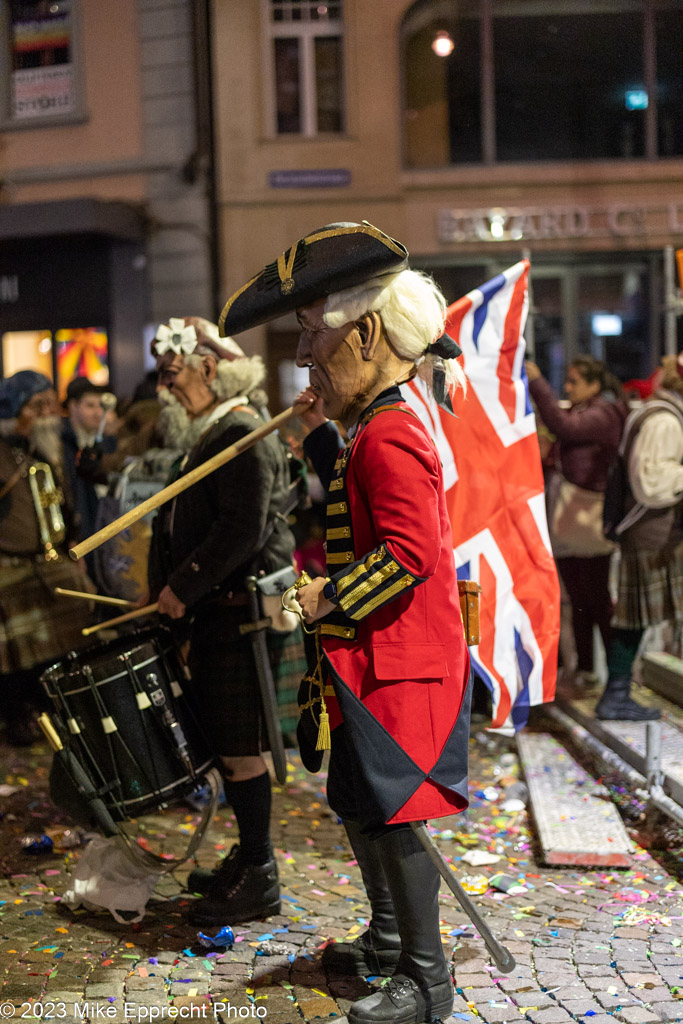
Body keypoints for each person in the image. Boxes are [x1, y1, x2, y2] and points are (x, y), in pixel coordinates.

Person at [219, 222, 472, 1024]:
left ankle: (426, 983)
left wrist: (325, 596)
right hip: (377, 665)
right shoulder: (376, 426)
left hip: (402, 667)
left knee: (398, 818)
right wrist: (319, 428)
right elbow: (351, 495)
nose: (302, 356)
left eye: (312, 336)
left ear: (364, 334)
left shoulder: (394, 431)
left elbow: (407, 553)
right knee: (363, 806)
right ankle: (392, 940)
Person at [147, 316, 302, 925]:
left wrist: (183, 586)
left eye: (174, 372)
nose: (166, 386)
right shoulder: (216, 428)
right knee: (231, 749)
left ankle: (260, 875)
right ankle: (250, 855)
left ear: (210, 367)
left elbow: (243, 528)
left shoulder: (245, 430)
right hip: (218, 615)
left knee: (243, 751)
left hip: (240, 616)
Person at [0, 371, 93, 745]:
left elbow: (64, 500)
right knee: (16, 659)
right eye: (36, 405)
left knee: (63, 646)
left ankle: (59, 711)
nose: (47, 414)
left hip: (52, 561)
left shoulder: (50, 447)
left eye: (49, 404)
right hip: (10, 567)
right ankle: (19, 716)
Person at [525, 356, 628, 691]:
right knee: (580, 598)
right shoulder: (588, 410)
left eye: (573, 382)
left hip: (588, 518)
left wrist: (538, 383)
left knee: (596, 597)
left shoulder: (603, 413)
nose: (567, 388)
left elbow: (563, 427)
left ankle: (617, 676)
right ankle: (586, 668)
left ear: (594, 384)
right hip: (573, 519)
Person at [595, 353, 683, 720]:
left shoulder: (657, 413)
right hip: (654, 534)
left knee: (638, 617)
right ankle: (614, 695)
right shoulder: (664, 420)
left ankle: (616, 693)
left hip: (653, 534)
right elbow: (652, 484)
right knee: (635, 618)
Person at [61, 376, 118, 546]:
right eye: (89, 405)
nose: (98, 413)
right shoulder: (62, 444)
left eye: (101, 406)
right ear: (72, 406)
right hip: (78, 534)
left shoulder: (108, 443)